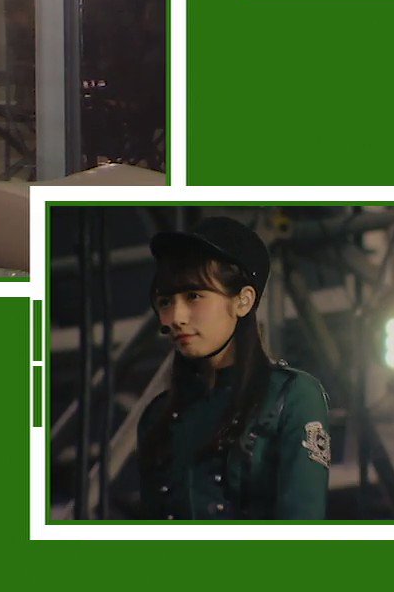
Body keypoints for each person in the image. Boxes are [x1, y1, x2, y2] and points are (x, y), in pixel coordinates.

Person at [136, 217, 331, 519]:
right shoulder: (156, 418)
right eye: (165, 302)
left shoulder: (293, 396)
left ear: (243, 301)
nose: (175, 317)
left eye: (193, 296)